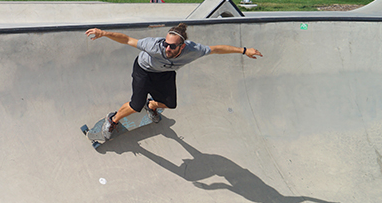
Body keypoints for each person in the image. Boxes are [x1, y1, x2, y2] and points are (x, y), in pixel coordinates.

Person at [85, 23, 262, 139]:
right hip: (144, 70)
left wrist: (243, 50)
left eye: (172, 46)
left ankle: (152, 106)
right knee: (135, 104)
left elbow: (216, 49)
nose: (167, 48)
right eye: (166, 44)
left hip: (165, 74)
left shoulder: (194, 50)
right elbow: (127, 39)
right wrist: (103, 33)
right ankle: (113, 120)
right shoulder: (153, 45)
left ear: (182, 46)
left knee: (170, 104)